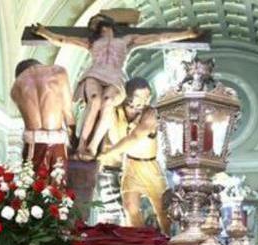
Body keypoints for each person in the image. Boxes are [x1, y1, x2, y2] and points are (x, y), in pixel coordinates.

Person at [32, 15, 197, 160]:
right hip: (95, 73)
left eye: (97, 20)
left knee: (108, 102)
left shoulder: (127, 40)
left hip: (115, 76)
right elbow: (63, 40)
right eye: (92, 23)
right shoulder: (91, 42)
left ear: (108, 23)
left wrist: (186, 34)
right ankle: (82, 144)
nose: (95, 23)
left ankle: (93, 146)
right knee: (95, 101)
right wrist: (44, 32)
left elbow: (158, 38)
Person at [96, 78, 169, 230]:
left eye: (147, 97)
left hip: (150, 167)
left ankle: (169, 240)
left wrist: (108, 154)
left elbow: (134, 137)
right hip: (129, 166)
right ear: (128, 97)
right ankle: (139, 242)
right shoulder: (115, 112)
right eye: (141, 97)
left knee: (162, 209)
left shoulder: (150, 114)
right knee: (130, 208)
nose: (145, 101)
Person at [11, 59, 74, 176]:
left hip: (33, 144)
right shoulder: (58, 73)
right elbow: (68, 113)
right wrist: (75, 143)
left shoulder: (16, 88)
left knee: (33, 186)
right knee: (58, 186)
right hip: (57, 142)